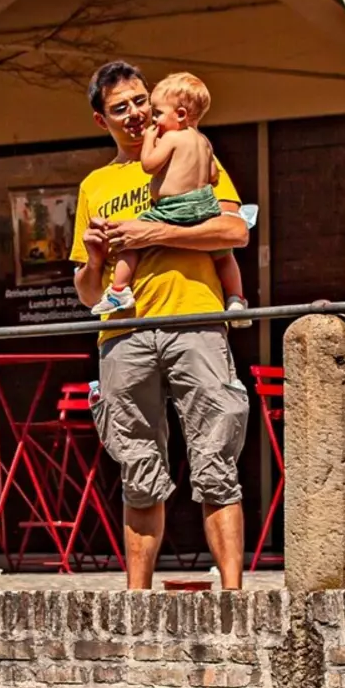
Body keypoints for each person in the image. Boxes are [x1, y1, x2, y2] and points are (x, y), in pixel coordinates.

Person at [70, 60, 252, 590]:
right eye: (119, 107)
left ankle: (234, 597)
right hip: (123, 332)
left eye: (139, 100)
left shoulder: (196, 146)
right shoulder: (95, 184)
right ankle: (136, 600)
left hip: (194, 319)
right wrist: (96, 256)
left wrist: (151, 235)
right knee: (139, 468)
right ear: (103, 120)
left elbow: (233, 231)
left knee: (217, 455)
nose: (134, 113)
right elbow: (87, 294)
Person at [91, 72, 249, 327]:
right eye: (120, 108)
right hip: (204, 202)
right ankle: (236, 298)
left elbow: (149, 165)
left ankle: (119, 290)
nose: (150, 120)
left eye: (156, 113)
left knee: (129, 241)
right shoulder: (204, 141)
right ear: (101, 119)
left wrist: (151, 140)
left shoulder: (172, 139)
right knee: (223, 255)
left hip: (174, 207)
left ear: (181, 115)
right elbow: (210, 175)